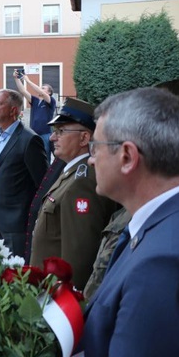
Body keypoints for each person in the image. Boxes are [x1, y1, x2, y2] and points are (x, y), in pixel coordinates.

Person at [82, 87, 179, 357]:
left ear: (128, 156)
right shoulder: (164, 222)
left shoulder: (163, 263)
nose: (91, 160)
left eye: (95, 147)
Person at [30, 98, 118, 290]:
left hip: (58, 295)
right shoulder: (72, 172)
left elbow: (79, 256)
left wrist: (66, 300)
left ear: (84, 138)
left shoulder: (83, 181)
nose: (53, 138)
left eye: (61, 131)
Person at [0, 89, 47, 258]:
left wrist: (28, 214)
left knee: (15, 276)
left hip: (17, 224)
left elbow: (42, 183)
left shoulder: (29, 140)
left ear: (13, 110)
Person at [13, 70, 56, 161]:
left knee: (44, 158)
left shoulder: (50, 101)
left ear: (49, 92)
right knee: (33, 157)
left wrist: (28, 81)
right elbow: (23, 91)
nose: (41, 89)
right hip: (33, 134)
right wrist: (16, 78)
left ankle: (46, 175)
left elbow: (42, 93)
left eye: (43, 88)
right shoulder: (35, 101)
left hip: (45, 135)